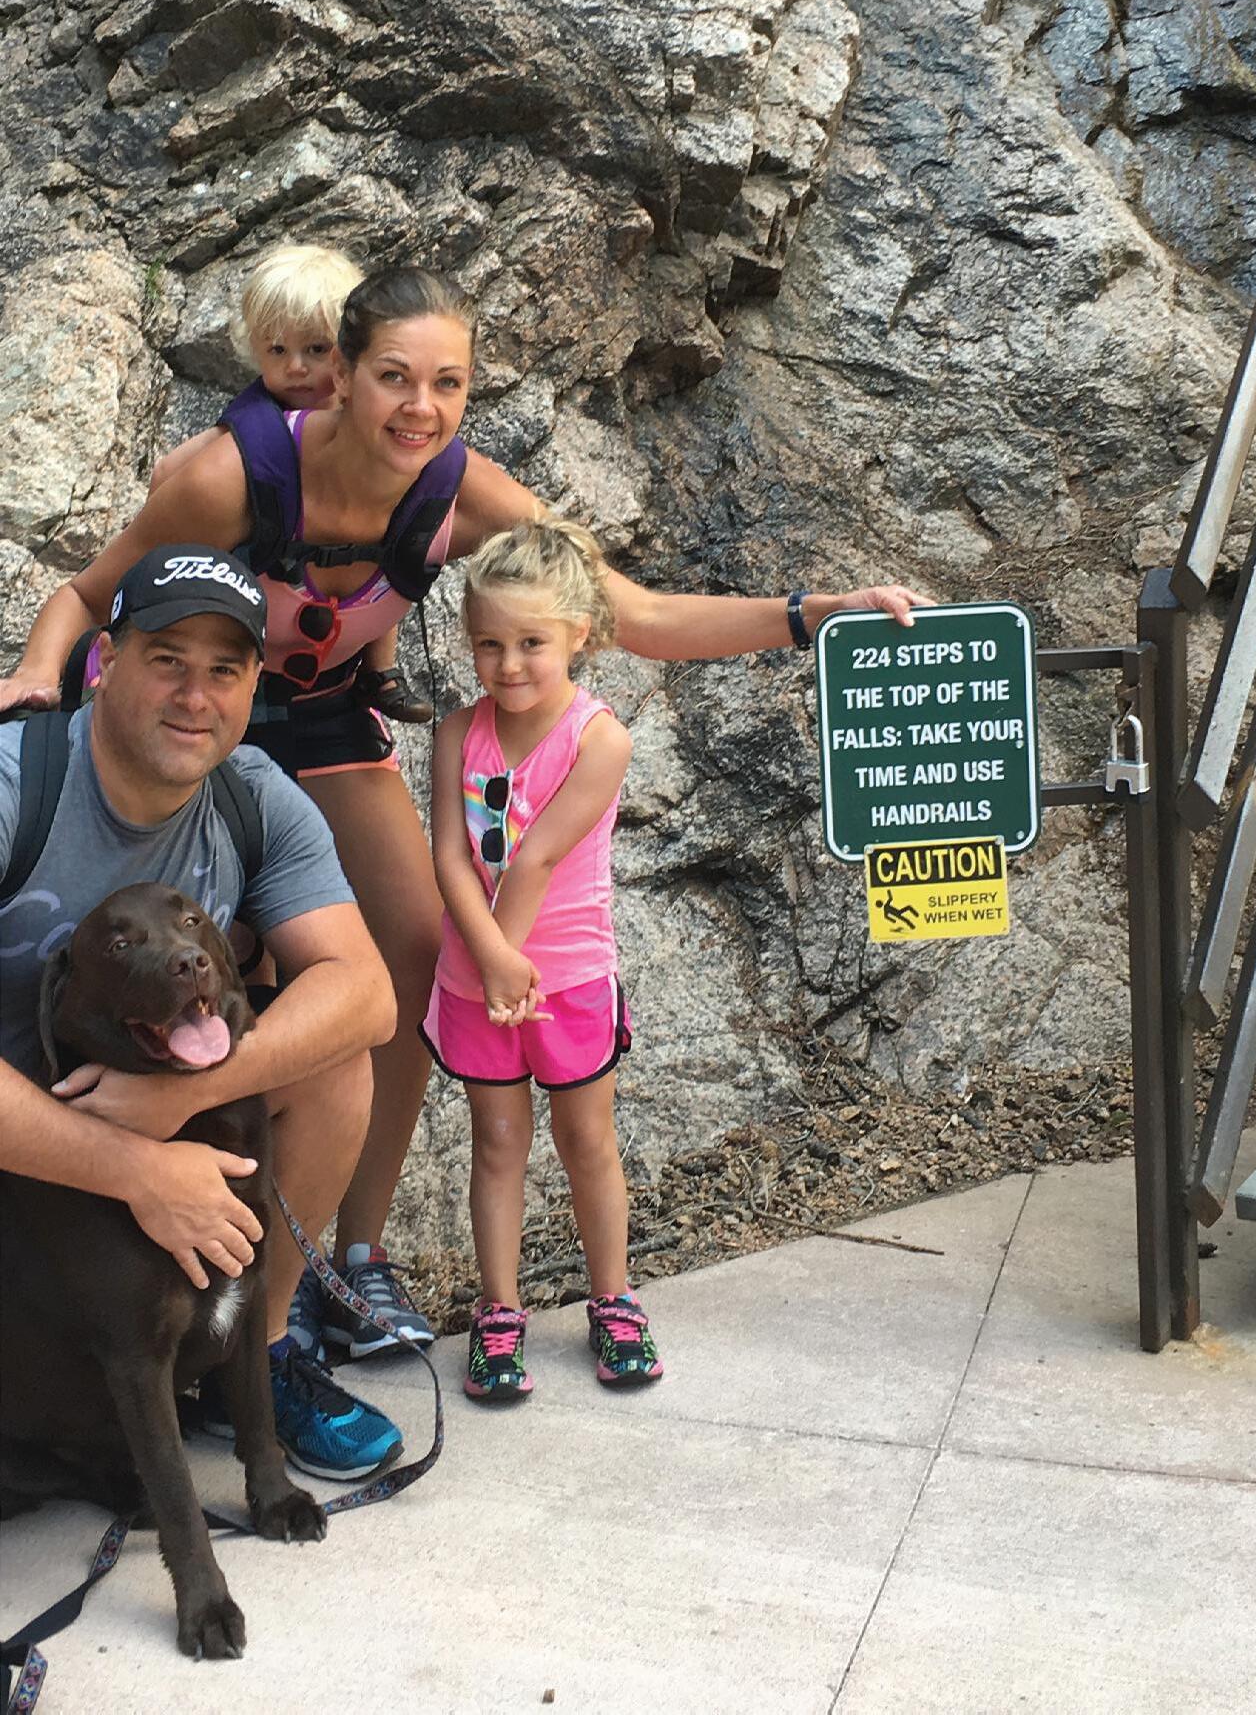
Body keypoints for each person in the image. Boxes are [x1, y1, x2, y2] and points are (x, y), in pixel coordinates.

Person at [0, 263, 930, 1365]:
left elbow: (630, 613)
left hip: (321, 721)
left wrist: (809, 615)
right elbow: (89, 591)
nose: (421, 406)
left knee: (416, 951)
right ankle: (162, 1256)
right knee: (192, 961)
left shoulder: (456, 491)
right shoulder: (227, 475)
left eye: (448, 382)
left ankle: (352, 1261)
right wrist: (38, 679)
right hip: (199, 728)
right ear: (340, 374)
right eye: (395, 376)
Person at [0, 545, 406, 1481]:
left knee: (331, 1056)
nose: (195, 696)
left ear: (254, 685)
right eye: (167, 660)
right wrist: (135, 1167)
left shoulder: (252, 796)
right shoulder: (16, 788)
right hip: (19, 1135)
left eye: (224, 670)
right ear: (105, 662)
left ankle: (251, 1355)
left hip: (141, 1096)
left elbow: (365, 992)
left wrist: (181, 1098)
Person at [429, 519, 657, 1398]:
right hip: (476, 978)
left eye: (531, 642)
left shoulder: (600, 740)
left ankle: (613, 1299)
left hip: (565, 978)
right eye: (489, 644)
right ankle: (498, 1310)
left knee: (585, 1139)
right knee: (496, 1143)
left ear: (578, 635)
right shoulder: (457, 733)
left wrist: (506, 963)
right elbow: (451, 858)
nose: (509, 664)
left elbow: (536, 859)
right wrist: (487, 962)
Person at [151, 242, 430, 724]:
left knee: (391, 545)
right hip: (265, 589)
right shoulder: (252, 431)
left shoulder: (370, 420)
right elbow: (165, 473)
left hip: (358, 588)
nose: (296, 367)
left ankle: (380, 667)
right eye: (277, 350)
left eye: (316, 349)